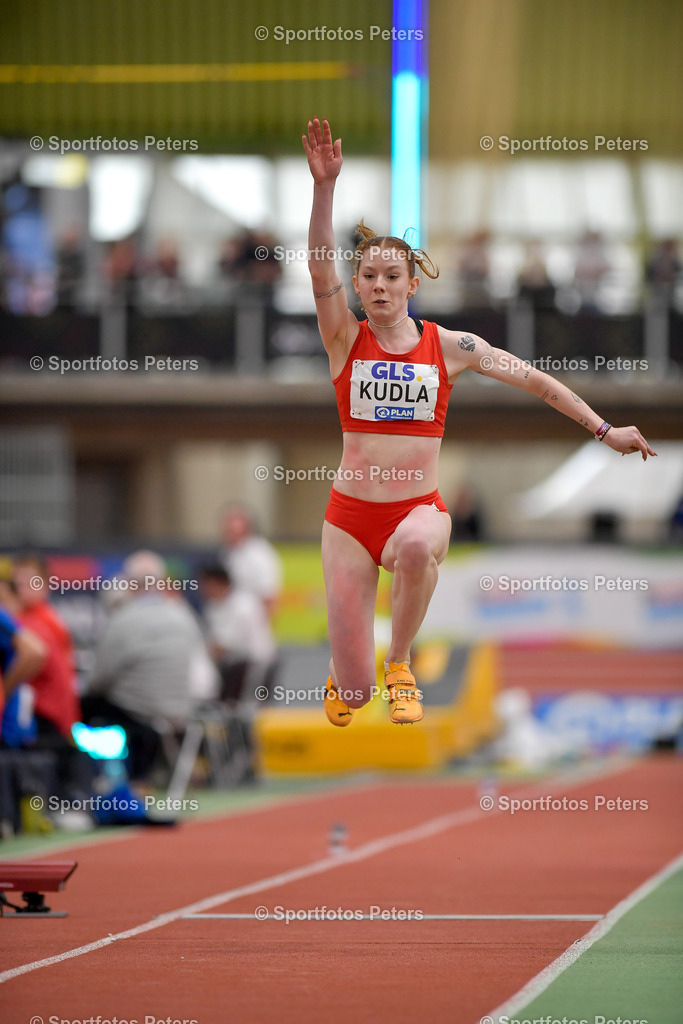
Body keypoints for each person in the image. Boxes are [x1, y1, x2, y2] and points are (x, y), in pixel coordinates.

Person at [302, 115, 657, 728]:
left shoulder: (453, 346)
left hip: (418, 510)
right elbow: (316, 267)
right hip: (349, 519)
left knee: (416, 547)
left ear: (413, 284)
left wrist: (605, 430)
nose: (380, 286)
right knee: (354, 699)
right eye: (368, 277)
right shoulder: (343, 339)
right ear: (357, 286)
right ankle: (354, 678)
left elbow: (536, 380)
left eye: (393, 276)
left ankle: (402, 662)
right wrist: (324, 187)